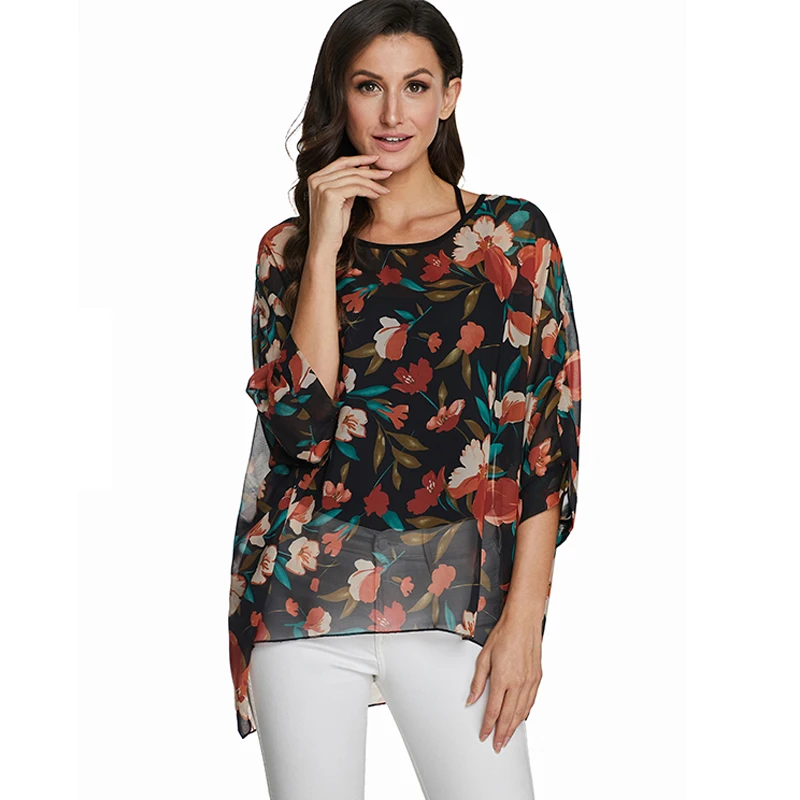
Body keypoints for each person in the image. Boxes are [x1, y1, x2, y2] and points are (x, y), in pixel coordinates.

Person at [228, 1, 582, 797]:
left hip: (455, 599)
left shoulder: (511, 238)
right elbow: (300, 430)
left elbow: (546, 442)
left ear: (449, 95)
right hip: (304, 594)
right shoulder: (288, 250)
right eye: (368, 86)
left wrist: (524, 621)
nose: (393, 114)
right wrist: (324, 246)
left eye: (416, 86)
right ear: (339, 94)